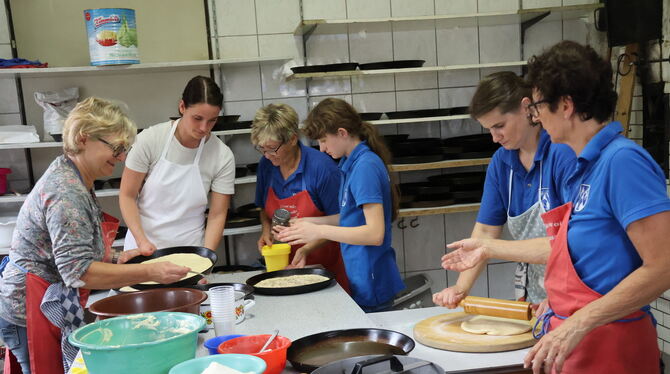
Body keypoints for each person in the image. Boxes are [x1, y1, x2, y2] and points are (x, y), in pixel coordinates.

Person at [441, 41, 670, 373]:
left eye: (537, 106)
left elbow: (663, 267)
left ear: (565, 105)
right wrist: (559, 303)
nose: (535, 115)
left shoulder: (622, 162)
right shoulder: (584, 167)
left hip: (612, 348)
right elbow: (572, 252)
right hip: (574, 345)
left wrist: (578, 323)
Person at [0, 98, 190, 374]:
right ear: (83, 138)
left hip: (47, 301)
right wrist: (150, 273)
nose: (122, 157)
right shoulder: (65, 191)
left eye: (125, 149)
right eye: (116, 148)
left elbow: (68, 249)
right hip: (28, 310)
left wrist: (116, 259)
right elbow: (80, 272)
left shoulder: (75, 176)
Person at [432, 72, 575, 308]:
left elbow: (571, 243)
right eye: (489, 129)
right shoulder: (502, 163)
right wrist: (460, 288)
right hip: (532, 298)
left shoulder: (561, 153)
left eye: (499, 126)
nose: (494, 138)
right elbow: (486, 231)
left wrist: (489, 249)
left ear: (526, 107)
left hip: (572, 296)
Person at [275, 98, 404, 312]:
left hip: (372, 278)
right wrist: (307, 225)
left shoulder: (365, 167)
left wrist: (317, 230)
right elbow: (349, 218)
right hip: (360, 276)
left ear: (342, 133)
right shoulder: (349, 164)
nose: (322, 148)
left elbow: (374, 233)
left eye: (324, 140)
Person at [120, 76, 235, 253]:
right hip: (144, 248)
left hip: (190, 251)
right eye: (197, 118)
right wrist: (142, 242)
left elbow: (217, 215)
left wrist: (206, 257)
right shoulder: (150, 140)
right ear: (182, 107)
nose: (204, 128)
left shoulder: (222, 155)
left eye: (212, 120)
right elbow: (127, 196)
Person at [251, 103, 350, 292]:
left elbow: (343, 222)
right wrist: (265, 230)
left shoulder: (322, 169)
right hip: (284, 268)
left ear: (292, 139)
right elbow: (264, 209)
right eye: (261, 149)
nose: (267, 155)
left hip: (325, 270)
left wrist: (307, 249)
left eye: (273, 148)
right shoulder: (266, 165)